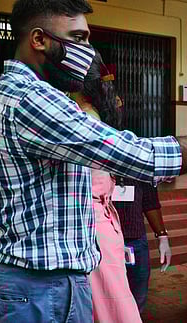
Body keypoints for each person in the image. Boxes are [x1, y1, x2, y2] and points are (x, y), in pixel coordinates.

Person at [0, 0, 187, 322]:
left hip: (47, 281)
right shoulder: (32, 101)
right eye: (78, 38)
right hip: (39, 288)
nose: (89, 51)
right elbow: (142, 158)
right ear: (39, 40)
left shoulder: (20, 95)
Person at [70, 50, 142, 322]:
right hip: (103, 223)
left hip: (92, 227)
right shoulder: (98, 117)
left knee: (109, 306)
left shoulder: (82, 121)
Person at [113, 174, 170, 313]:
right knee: (108, 299)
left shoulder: (140, 164)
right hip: (105, 242)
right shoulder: (99, 165)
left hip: (135, 241)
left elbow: (150, 202)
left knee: (137, 297)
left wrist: (162, 236)